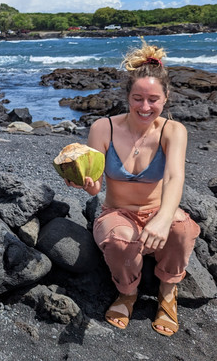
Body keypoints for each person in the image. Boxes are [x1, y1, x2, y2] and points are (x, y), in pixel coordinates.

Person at [66, 38, 200, 337]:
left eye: (153, 99)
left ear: (166, 98)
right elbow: (95, 185)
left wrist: (163, 219)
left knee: (182, 228)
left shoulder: (173, 130)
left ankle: (168, 292)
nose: (145, 106)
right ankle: (127, 292)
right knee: (121, 242)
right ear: (128, 96)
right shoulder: (104, 128)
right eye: (138, 98)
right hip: (117, 212)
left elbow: (174, 177)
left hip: (157, 209)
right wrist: (85, 182)